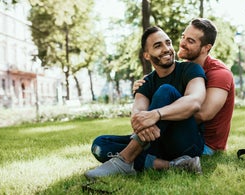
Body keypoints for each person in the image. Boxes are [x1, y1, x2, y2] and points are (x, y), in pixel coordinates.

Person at [85, 26, 207, 180]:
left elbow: (194, 101)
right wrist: (142, 119)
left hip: (186, 142)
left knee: (166, 91)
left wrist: (156, 114)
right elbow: (138, 114)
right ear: (147, 55)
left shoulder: (190, 69)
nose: (166, 49)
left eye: (168, 43)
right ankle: (173, 165)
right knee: (100, 145)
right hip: (156, 142)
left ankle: (125, 160)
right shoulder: (146, 82)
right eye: (158, 46)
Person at [134, 18, 235, 155]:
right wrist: (145, 89)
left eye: (190, 41)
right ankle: (137, 153)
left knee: (135, 149)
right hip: (170, 135)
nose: (182, 43)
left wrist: (154, 118)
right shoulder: (185, 69)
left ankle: (135, 154)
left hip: (204, 145)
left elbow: (202, 114)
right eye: (183, 37)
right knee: (104, 143)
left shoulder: (219, 74)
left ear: (206, 48)